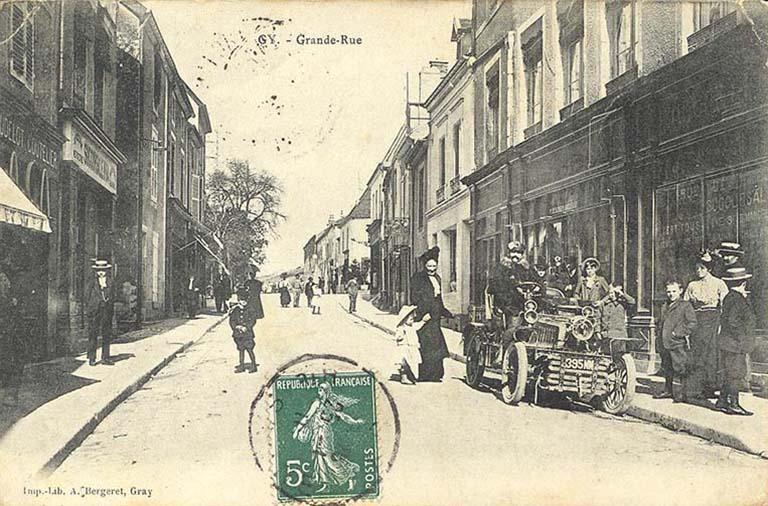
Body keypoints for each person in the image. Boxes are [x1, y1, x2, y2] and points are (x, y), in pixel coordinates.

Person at [292, 382, 364, 493]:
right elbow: (307, 416)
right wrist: (298, 429)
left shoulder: (331, 405)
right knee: (319, 456)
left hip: (325, 434)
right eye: (319, 390)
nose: (319, 392)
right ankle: (325, 484)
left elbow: (342, 416)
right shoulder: (317, 403)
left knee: (327, 457)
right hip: (317, 432)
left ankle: (349, 474)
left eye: (321, 390)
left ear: (326, 391)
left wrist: (354, 421)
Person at [684, 250, 728, 400]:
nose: (699, 271)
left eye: (702, 268)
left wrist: (722, 325)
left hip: (713, 320)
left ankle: (711, 387)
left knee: (711, 354)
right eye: (697, 268)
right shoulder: (692, 285)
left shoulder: (719, 283)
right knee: (697, 354)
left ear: (709, 268)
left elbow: (725, 305)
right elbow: (685, 305)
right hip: (697, 320)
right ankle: (698, 388)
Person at [716, 267, 756, 416]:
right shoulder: (737, 299)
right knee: (735, 374)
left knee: (730, 373)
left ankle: (722, 401)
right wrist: (742, 339)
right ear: (744, 283)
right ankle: (733, 404)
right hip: (735, 344)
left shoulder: (730, 297)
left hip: (728, 343)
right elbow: (733, 322)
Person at [410, 246, 453, 382]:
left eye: (434, 266)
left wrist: (444, 311)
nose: (431, 269)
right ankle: (424, 374)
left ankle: (435, 374)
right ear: (425, 265)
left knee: (436, 344)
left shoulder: (437, 278)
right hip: (424, 316)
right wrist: (424, 313)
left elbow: (438, 298)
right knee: (425, 344)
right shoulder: (418, 278)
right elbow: (415, 297)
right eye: (429, 266)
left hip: (435, 316)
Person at [653, 280, 697, 401]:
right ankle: (668, 391)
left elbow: (692, 323)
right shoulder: (664, 305)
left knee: (681, 368)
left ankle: (683, 393)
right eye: (668, 291)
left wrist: (677, 333)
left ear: (680, 291)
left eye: (674, 291)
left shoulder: (685, 305)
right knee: (667, 367)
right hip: (664, 342)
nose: (671, 294)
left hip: (677, 343)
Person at [85, 259, 115, 366]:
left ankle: (105, 357)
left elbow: (113, 296)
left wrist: (110, 306)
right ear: (96, 271)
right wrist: (91, 307)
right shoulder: (91, 281)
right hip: (94, 311)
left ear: (107, 270)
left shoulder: (111, 281)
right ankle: (92, 358)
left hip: (106, 311)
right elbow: (87, 295)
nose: (101, 272)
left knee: (106, 334)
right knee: (93, 334)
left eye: (103, 270)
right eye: (99, 270)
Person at [596, 284, 636, 357]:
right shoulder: (603, 304)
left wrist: (622, 294)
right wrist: (598, 331)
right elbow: (598, 319)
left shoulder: (622, 304)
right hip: (606, 336)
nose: (612, 295)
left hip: (619, 336)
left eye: (614, 293)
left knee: (618, 357)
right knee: (606, 357)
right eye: (610, 293)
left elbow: (632, 302)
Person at [0, 296, 25, 406]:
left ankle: (11, 396)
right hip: (8, 342)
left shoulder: (14, 314)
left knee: (13, 367)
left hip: (12, 343)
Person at [229, 287, 258, 373]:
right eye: (241, 300)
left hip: (247, 333)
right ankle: (241, 366)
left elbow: (253, 320)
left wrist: (247, 327)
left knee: (249, 349)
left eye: (245, 300)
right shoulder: (235, 310)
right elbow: (232, 320)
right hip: (238, 334)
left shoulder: (250, 309)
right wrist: (236, 327)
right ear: (238, 300)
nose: (243, 302)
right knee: (241, 349)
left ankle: (253, 365)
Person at [393, 305, 424, 385]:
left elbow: (418, 326)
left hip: (412, 348)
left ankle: (412, 376)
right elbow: (397, 336)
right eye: (410, 319)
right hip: (405, 347)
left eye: (413, 319)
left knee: (412, 362)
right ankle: (404, 377)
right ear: (404, 319)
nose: (412, 321)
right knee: (404, 364)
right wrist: (400, 336)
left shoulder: (412, 326)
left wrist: (423, 321)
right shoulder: (402, 328)